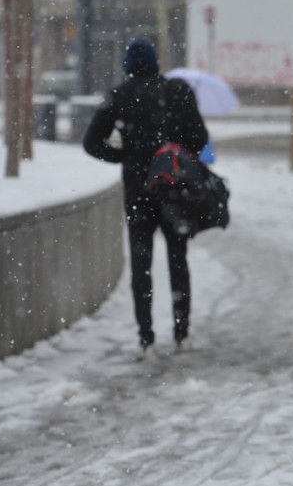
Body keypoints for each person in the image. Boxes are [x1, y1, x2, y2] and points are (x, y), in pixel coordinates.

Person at [83, 38, 208, 357]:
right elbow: (200, 138)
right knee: (178, 260)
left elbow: (91, 142)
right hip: (174, 189)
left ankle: (146, 338)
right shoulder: (177, 92)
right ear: (155, 63)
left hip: (138, 191)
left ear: (127, 66)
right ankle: (181, 333)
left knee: (142, 265)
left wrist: (124, 155)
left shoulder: (118, 96)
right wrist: (176, 155)